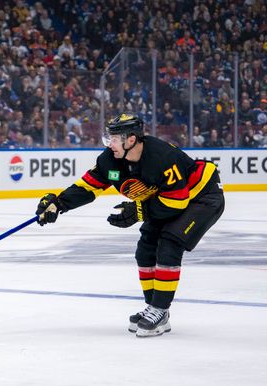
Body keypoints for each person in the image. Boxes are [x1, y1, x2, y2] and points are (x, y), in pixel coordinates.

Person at [35, 114, 224, 337]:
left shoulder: (162, 157)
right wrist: (59, 203)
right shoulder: (110, 160)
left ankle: (160, 310)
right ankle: (154, 309)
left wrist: (138, 211)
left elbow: (177, 201)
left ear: (131, 140)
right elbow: (88, 186)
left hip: (201, 197)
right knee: (145, 250)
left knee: (170, 243)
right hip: (165, 201)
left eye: (114, 139)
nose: (109, 144)